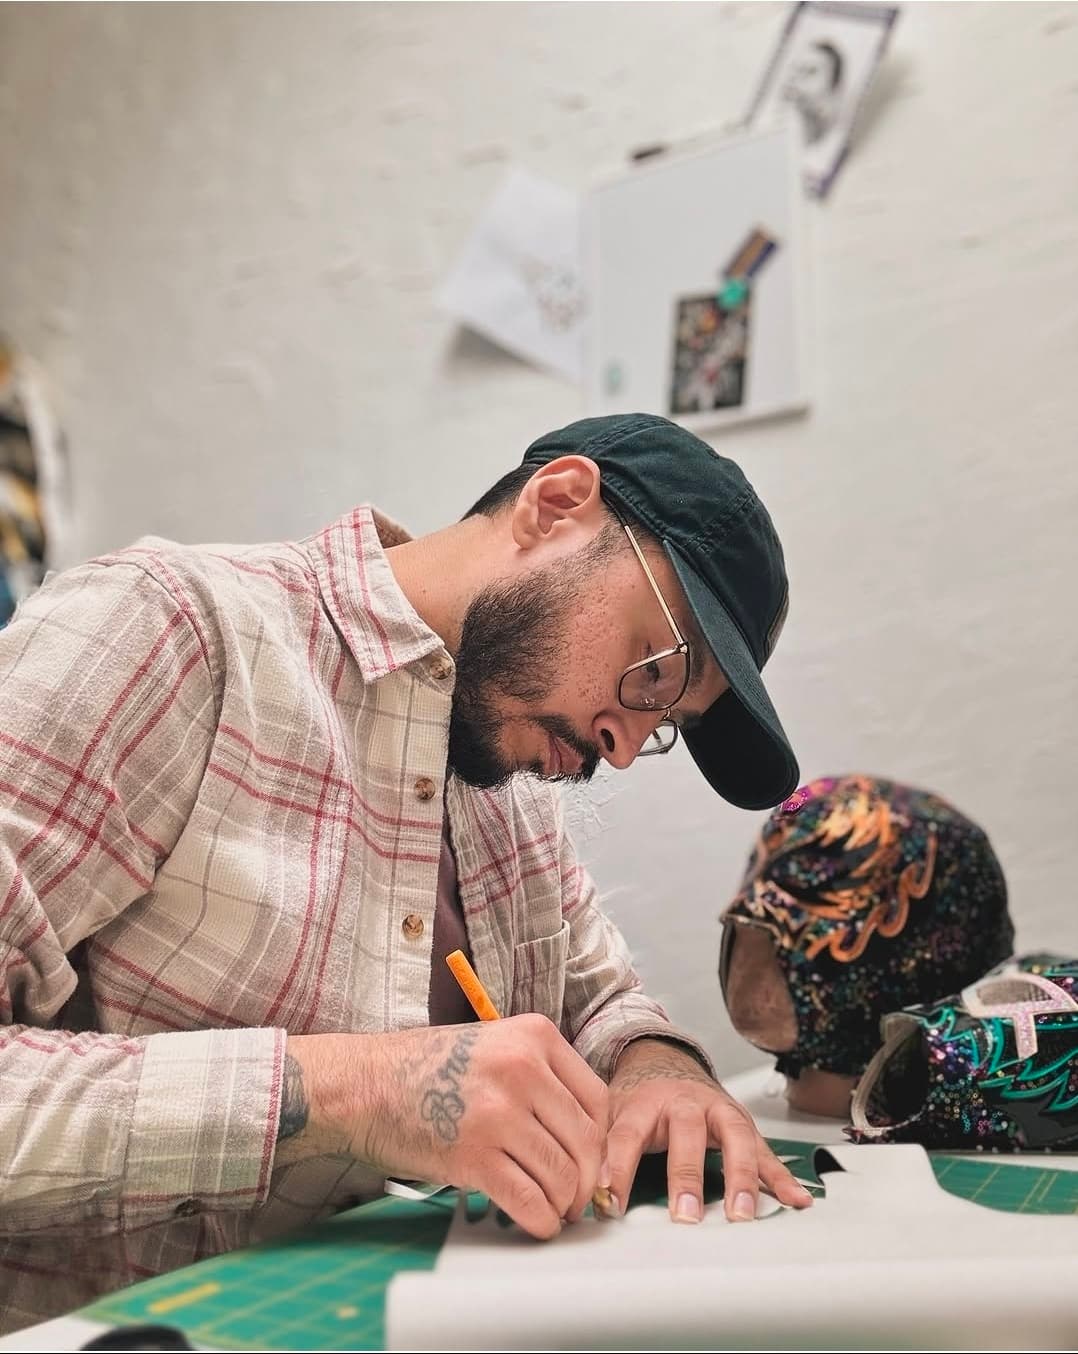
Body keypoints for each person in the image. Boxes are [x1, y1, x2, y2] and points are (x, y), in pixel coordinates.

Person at [0, 411, 810, 1332]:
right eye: (656, 671)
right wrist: (357, 1093)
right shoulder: (170, 631)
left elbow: (601, 1003)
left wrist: (659, 1067)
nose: (622, 747)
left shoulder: (504, 768)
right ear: (555, 504)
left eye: (667, 723)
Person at [781, 39, 844, 146]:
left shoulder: (832, 135)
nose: (797, 78)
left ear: (834, 84)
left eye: (811, 71)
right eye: (797, 69)